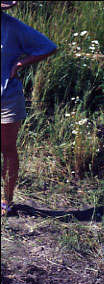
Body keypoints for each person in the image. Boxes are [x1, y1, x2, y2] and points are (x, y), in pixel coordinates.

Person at [1, 1, 58, 216]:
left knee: (6, 149)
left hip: (6, 98)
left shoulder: (13, 28)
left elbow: (49, 47)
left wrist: (20, 64)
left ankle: (7, 199)